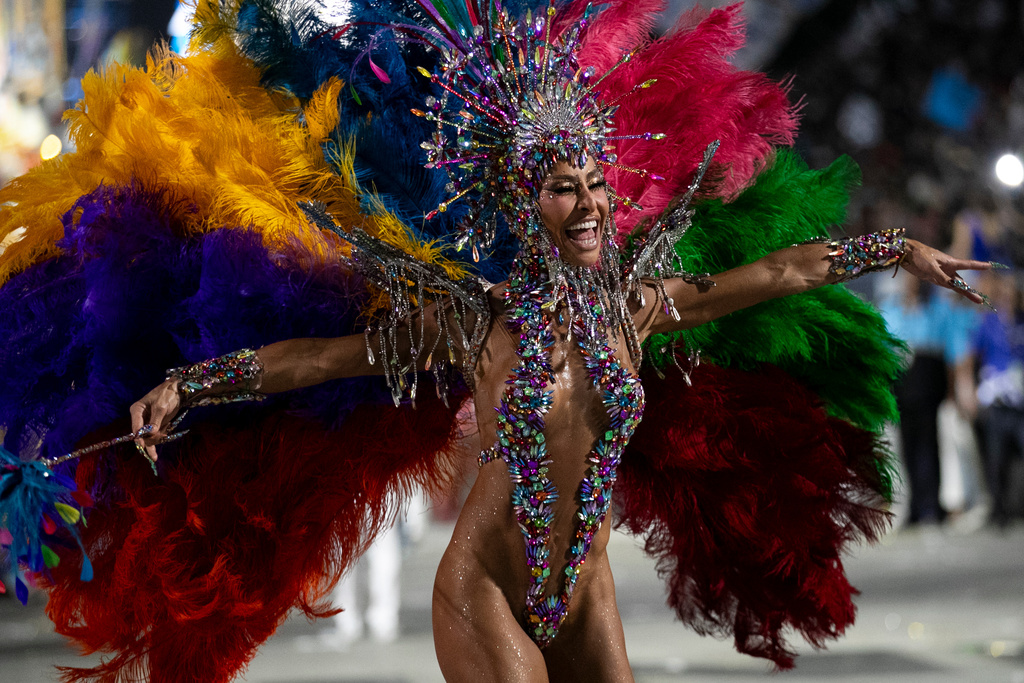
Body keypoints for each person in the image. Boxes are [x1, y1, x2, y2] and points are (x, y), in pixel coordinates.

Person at [0, 1, 997, 681]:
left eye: (597, 183)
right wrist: (186, 382)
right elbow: (314, 359)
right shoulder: (477, 318)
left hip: (587, 587)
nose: (592, 200)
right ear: (530, 205)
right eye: (565, 186)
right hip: (485, 587)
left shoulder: (639, 306)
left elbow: (777, 272)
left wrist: (893, 246)